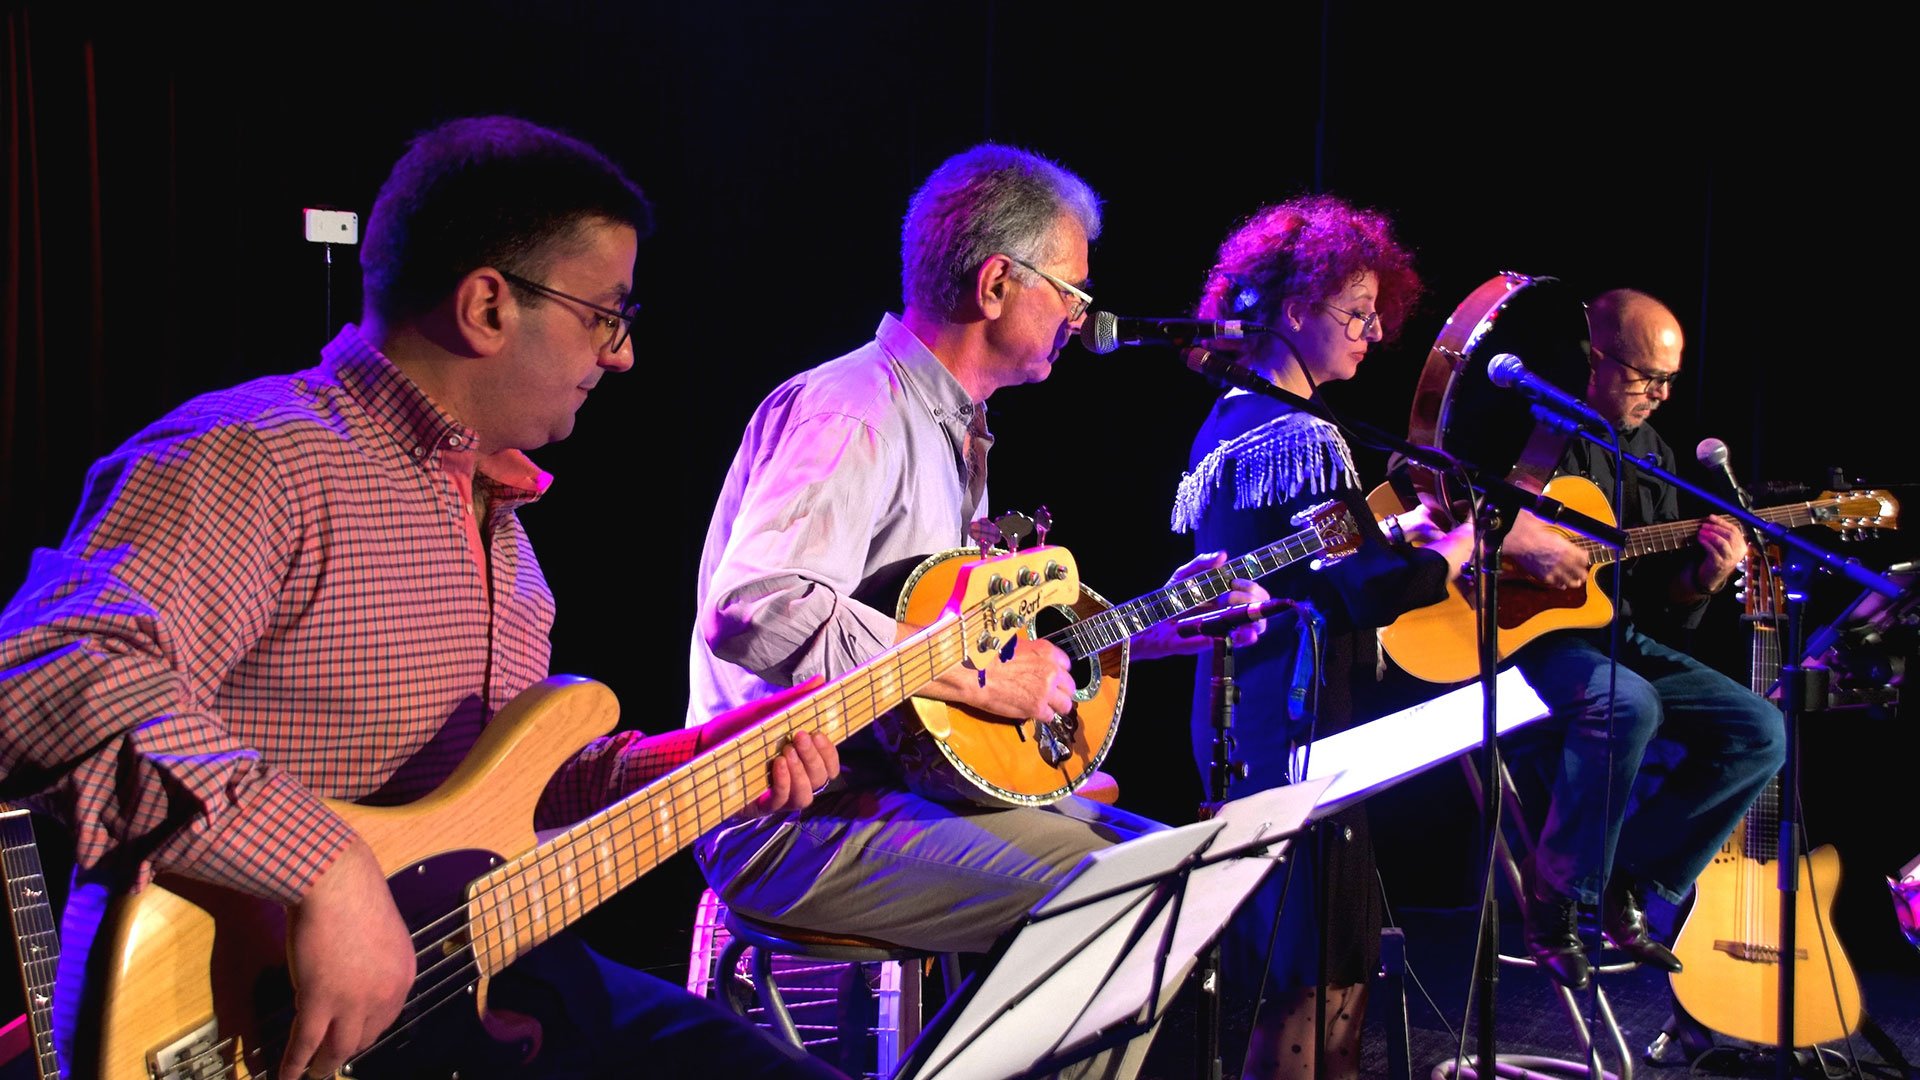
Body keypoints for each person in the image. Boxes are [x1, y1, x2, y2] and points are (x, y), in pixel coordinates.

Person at [0, 116, 843, 1080]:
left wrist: (695, 763)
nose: (621, 356)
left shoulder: (508, 541)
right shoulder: (259, 457)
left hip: (477, 994)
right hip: (261, 1026)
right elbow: (43, 669)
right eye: (606, 315)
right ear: (488, 305)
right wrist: (316, 862)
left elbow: (488, 804)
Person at [686, 143, 1268, 1052]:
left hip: (899, 785)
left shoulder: (952, 429)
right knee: (1129, 903)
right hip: (791, 814)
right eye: (1069, 288)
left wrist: (1144, 634)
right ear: (997, 283)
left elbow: (938, 653)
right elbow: (758, 605)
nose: (1082, 313)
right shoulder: (857, 410)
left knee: (1175, 869)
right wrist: (983, 683)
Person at [1170, 196, 1588, 1080]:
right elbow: (1353, 593)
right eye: (1355, 313)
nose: (1371, 333)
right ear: (1293, 311)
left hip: (1251, 718)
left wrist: (1399, 537)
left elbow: (1304, 571)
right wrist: (1464, 546)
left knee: (1313, 977)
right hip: (1297, 730)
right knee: (1318, 983)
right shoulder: (1302, 435)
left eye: (1376, 315)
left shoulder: (1234, 423)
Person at [1509, 287, 1786, 990]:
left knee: (1760, 730)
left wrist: (1701, 580)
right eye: (1645, 376)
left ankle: (1628, 877)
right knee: (1627, 703)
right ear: (1594, 358)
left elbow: (1661, 612)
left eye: (1669, 380)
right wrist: (1520, 537)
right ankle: (1556, 904)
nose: (1659, 395)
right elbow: (1449, 502)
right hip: (1527, 638)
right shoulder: (1532, 425)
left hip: (1614, 636)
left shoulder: (1654, 453)